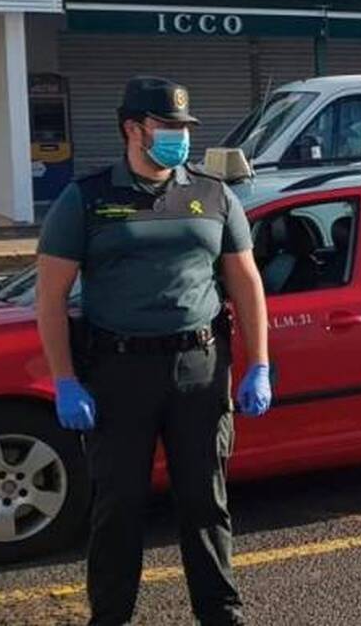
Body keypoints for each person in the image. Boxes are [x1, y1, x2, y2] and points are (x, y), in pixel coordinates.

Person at [35, 76, 273, 626]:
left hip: (199, 368)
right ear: (132, 129)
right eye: (167, 126)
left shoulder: (214, 194)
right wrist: (64, 379)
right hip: (119, 372)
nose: (179, 136)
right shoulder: (87, 199)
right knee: (118, 506)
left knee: (205, 502)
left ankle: (221, 614)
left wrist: (259, 363)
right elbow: (50, 298)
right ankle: (111, 616)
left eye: (183, 127)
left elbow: (246, 284)